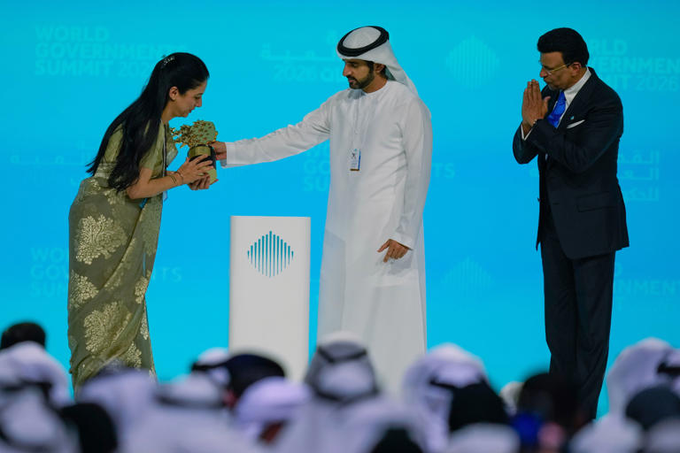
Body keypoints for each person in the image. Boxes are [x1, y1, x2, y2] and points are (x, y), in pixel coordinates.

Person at [212, 26, 432, 390]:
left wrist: (405, 232)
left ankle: (392, 396)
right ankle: (335, 393)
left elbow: (419, 172)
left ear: (378, 65)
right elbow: (292, 137)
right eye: (345, 64)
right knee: (340, 314)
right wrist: (232, 151)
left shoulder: (407, 105)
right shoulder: (340, 104)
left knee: (387, 317)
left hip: (387, 235)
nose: (346, 72)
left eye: (354, 65)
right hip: (342, 231)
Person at [68, 52, 214, 389]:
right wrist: (181, 177)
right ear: (174, 92)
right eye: (196, 96)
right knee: (103, 315)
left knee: (119, 310)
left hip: (110, 221)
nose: (199, 105)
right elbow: (136, 189)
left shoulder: (149, 121)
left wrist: (185, 177)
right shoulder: (150, 126)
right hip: (106, 229)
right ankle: (101, 398)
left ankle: (118, 397)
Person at [512, 27, 628, 419]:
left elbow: (579, 160)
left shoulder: (605, 103)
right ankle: (556, 417)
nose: (543, 75)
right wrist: (528, 124)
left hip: (593, 232)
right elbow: (522, 153)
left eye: (551, 68)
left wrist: (539, 125)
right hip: (553, 231)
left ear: (576, 67)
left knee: (591, 335)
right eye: (541, 67)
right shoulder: (548, 97)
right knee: (558, 332)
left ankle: (582, 420)